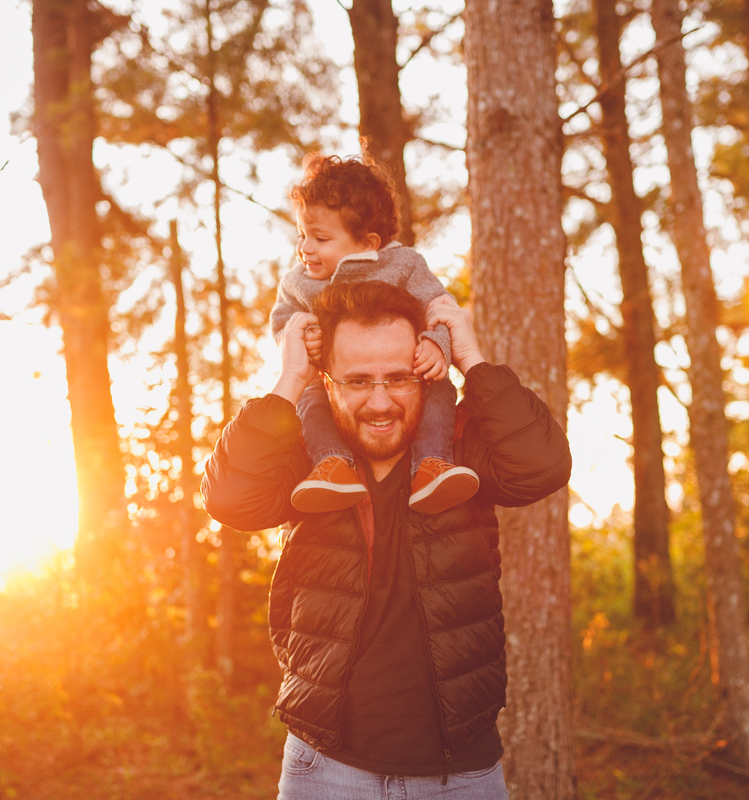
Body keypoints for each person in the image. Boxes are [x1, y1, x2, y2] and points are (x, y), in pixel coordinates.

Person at [202, 282, 572, 799]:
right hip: (325, 769)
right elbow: (227, 498)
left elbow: (543, 467)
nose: (380, 402)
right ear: (327, 381)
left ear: (425, 370)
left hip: (459, 773)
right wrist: (289, 379)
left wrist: (472, 359)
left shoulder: (459, 447)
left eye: (398, 378)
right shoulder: (307, 457)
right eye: (357, 380)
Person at [270, 152, 478, 515]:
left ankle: (431, 465)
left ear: (367, 243)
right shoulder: (297, 283)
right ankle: (332, 464)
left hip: (405, 375)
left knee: (439, 386)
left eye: (320, 238)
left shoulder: (405, 264)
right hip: (337, 383)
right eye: (302, 235)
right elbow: (283, 324)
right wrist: (303, 340)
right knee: (312, 399)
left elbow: (439, 307)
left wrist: (436, 345)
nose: (305, 248)